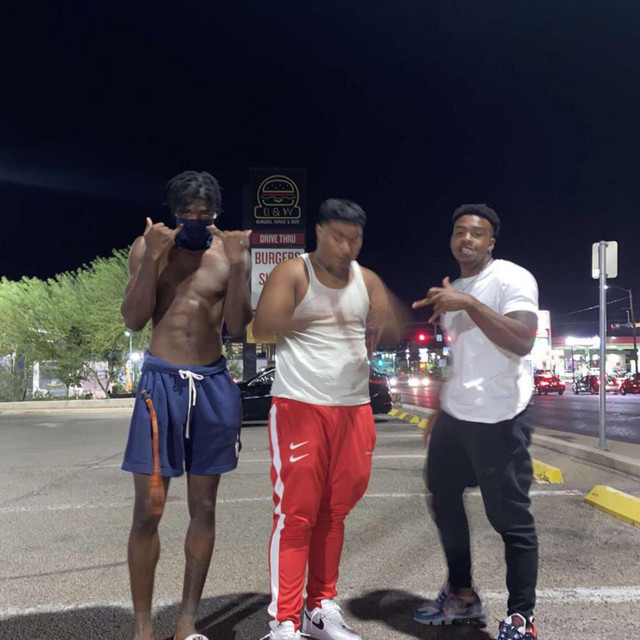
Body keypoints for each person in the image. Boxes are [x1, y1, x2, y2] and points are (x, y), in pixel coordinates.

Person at [253, 199, 408, 640]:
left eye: (355, 239)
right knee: (296, 515)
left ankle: (319, 607)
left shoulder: (367, 279)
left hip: (354, 408)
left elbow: (391, 327)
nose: (346, 247)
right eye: (338, 237)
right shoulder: (294, 272)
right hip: (300, 406)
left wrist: (385, 321)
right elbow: (262, 327)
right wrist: (315, 318)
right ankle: (284, 621)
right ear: (319, 232)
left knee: (334, 513)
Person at [120, 171, 252, 640]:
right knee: (149, 509)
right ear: (172, 213)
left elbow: (236, 326)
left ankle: (186, 623)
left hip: (213, 385)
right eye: (187, 213)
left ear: (216, 214)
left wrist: (239, 267)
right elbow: (134, 319)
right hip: (161, 387)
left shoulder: (227, 254)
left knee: (204, 507)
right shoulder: (148, 247)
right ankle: (142, 628)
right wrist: (153, 259)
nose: (196, 221)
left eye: (205, 213)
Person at [411, 204, 540, 640]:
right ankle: (462, 595)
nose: (466, 238)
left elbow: (522, 340)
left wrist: (468, 302)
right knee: (443, 498)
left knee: (510, 520)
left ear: (491, 242)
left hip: (500, 417)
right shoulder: (455, 290)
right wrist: (439, 408)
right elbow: (461, 356)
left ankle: (521, 618)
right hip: (456, 418)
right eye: (459, 231)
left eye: (476, 233)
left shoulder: (511, 278)